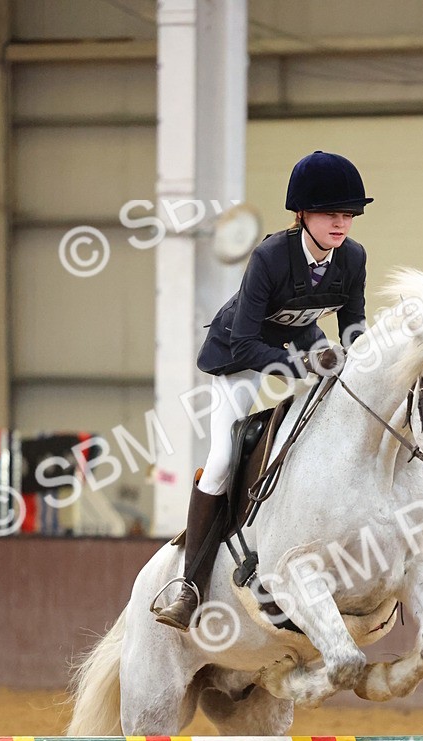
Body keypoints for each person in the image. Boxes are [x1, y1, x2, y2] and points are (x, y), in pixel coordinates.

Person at [154, 149, 372, 630]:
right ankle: (188, 585)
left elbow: (354, 327)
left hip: (300, 347)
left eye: (348, 214)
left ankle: (391, 559)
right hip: (240, 356)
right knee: (221, 462)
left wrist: (355, 360)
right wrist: (304, 365)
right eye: (330, 214)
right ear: (302, 215)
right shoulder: (270, 257)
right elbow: (249, 340)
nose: (341, 224)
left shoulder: (352, 257)